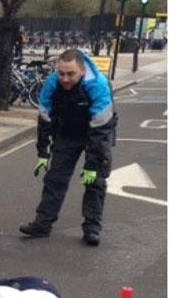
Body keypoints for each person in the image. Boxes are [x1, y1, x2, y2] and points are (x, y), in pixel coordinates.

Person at [19, 48, 117, 246]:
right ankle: (42, 224)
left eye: (70, 74)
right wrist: (43, 152)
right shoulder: (51, 83)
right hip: (68, 131)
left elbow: (101, 129)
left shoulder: (97, 85)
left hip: (97, 131)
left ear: (81, 70)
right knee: (55, 177)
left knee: (95, 180)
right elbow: (45, 118)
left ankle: (92, 228)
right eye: (61, 73)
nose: (64, 79)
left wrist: (91, 164)